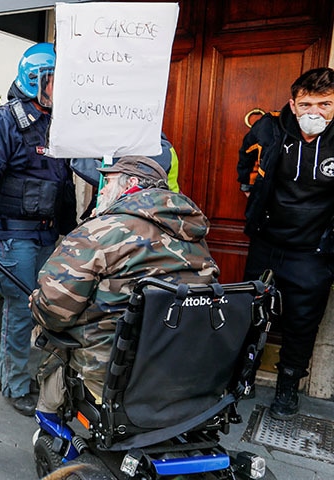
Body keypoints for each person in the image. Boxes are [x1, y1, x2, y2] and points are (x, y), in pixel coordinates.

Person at [30, 155, 220, 406]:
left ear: (130, 183)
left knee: (47, 335)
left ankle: (50, 421)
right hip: (180, 366)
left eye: (107, 182)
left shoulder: (100, 231)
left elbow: (54, 310)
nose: (103, 189)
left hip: (112, 371)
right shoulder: (194, 234)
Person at [0, 42, 77, 417]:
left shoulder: (56, 121)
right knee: (20, 312)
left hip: (46, 233)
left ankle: (6, 373)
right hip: (15, 236)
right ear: (35, 81)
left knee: (32, 311)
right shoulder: (5, 122)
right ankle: (16, 385)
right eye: (53, 80)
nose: (58, 88)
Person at [237, 67, 334, 420]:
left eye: (324, 104)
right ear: (293, 104)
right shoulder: (270, 126)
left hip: (313, 252)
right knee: (249, 311)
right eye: (306, 103)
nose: (314, 112)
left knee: (302, 323)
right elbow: (246, 156)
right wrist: (249, 187)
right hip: (266, 242)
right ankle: (241, 375)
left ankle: (288, 386)